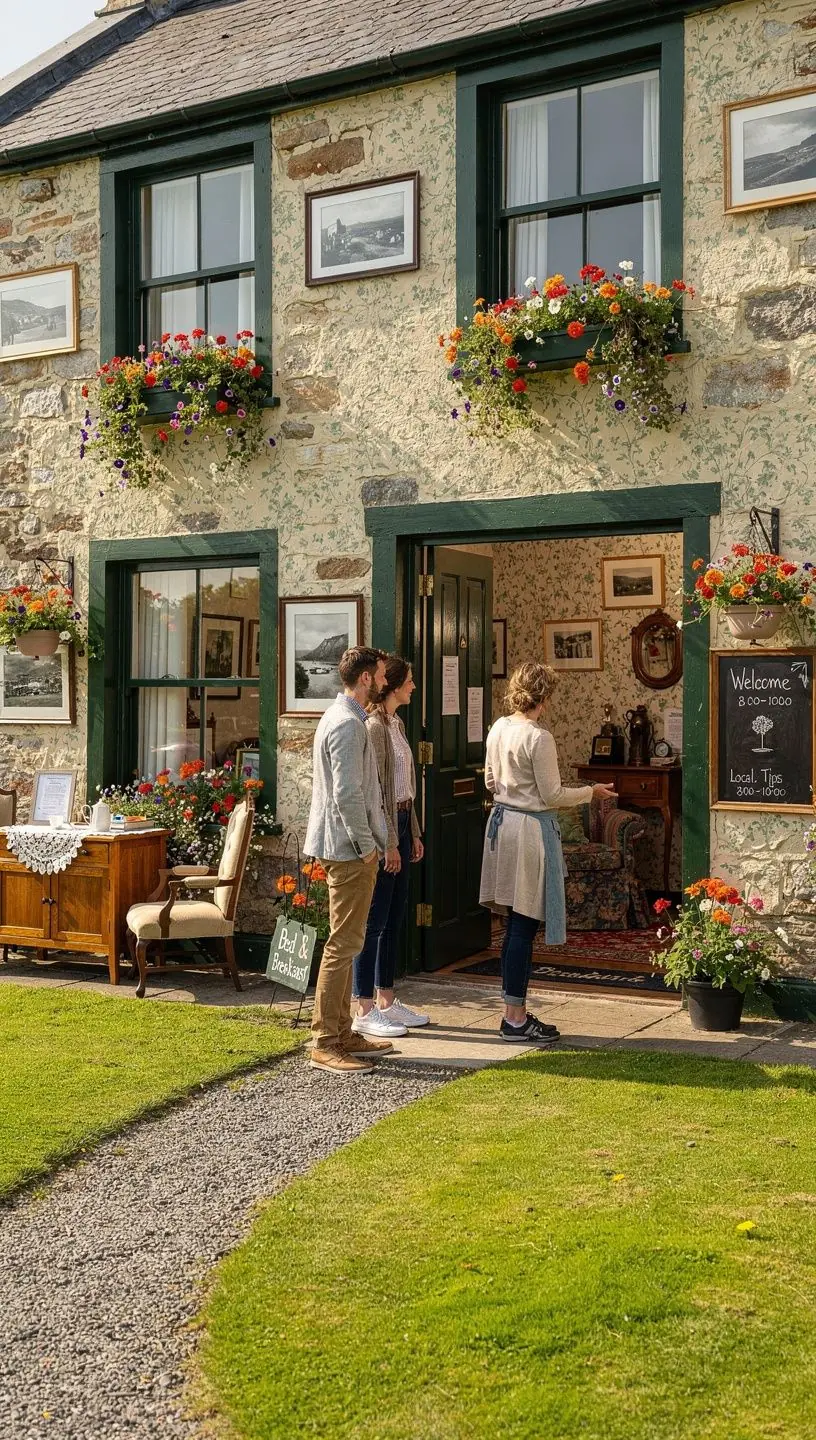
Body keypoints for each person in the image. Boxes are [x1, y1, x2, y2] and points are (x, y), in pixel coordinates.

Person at [479, 661, 616, 1044]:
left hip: (502, 827)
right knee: (523, 926)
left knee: (511, 925)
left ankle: (513, 1011)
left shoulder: (499, 727)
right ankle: (515, 1019)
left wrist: (511, 791)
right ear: (545, 696)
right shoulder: (539, 737)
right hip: (528, 833)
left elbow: (490, 779)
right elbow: (553, 795)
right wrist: (592, 791)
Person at [304, 646, 391, 1076]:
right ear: (365, 679)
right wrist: (367, 846)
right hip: (347, 849)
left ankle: (342, 1031)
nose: (384, 681)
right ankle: (325, 1040)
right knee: (342, 945)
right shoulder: (347, 724)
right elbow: (346, 794)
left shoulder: (345, 718)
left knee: (348, 940)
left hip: (346, 846)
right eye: (379, 675)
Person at [351, 654, 429, 1039]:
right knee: (375, 920)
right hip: (385, 831)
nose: (413, 686)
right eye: (409, 681)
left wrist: (413, 832)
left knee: (394, 917)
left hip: (401, 823)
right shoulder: (375, 727)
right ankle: (363, 1006)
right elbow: (379, 791)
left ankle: (386, 999)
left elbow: (406, 789)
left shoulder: (396, 724)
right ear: (393, 685)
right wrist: (390, 844)